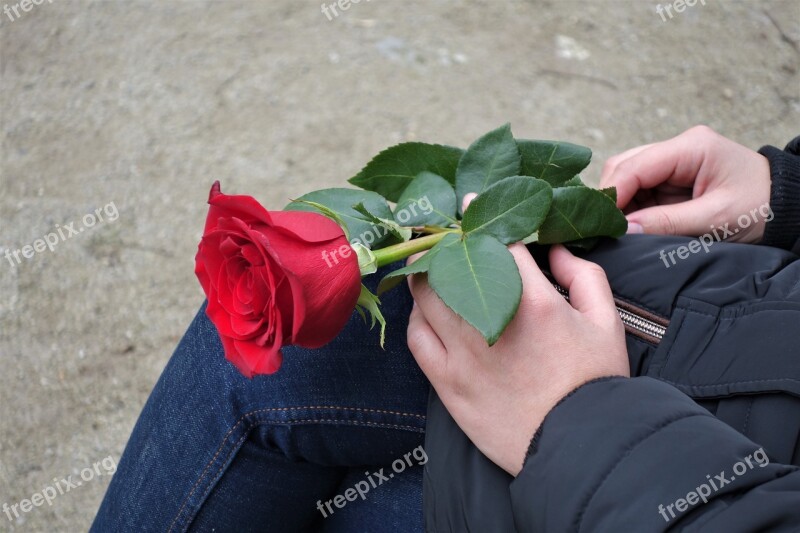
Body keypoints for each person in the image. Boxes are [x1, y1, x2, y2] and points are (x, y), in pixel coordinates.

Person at [92, 126, 800, 532]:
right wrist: (789, 191)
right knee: (276, 361)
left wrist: (581, 424)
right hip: (744, 308)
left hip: (657, 483)